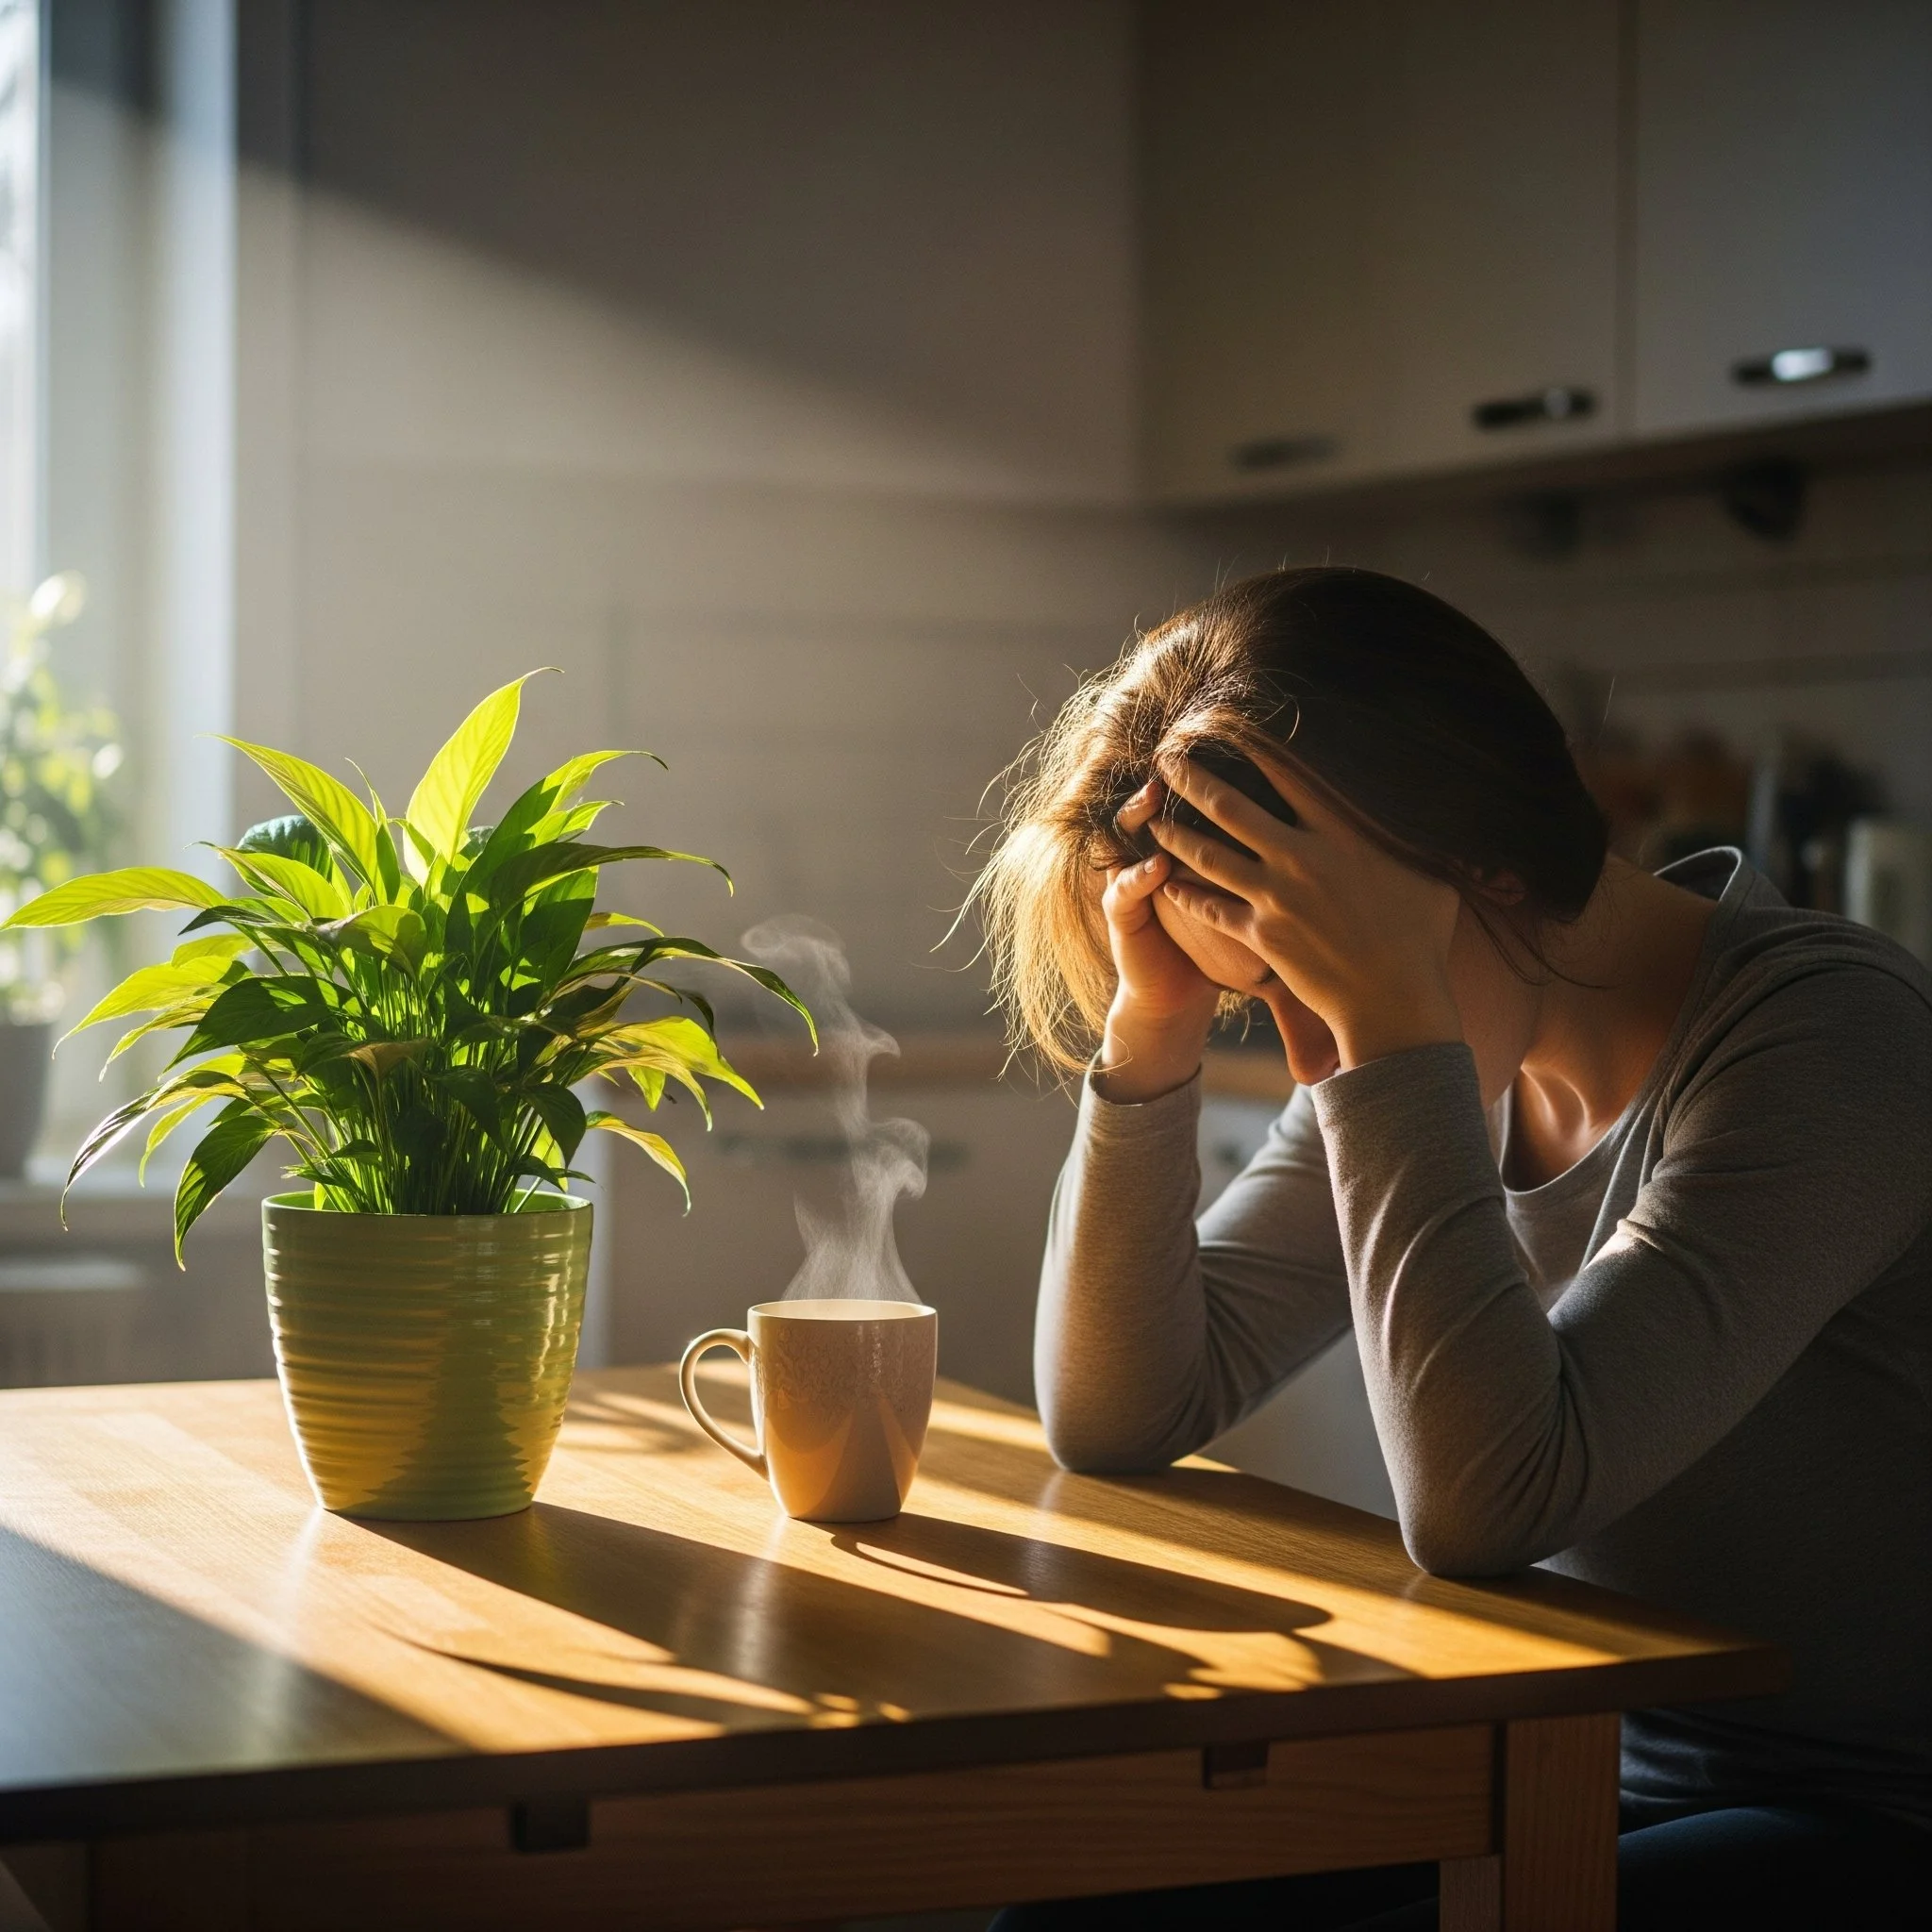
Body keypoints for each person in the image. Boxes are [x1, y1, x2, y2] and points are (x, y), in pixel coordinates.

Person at [973, 568, 1931, 1929]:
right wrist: (1153, 1034)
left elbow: (1494, 1501)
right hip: (1570, 1759)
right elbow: (1120, 1411)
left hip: (1866, 1816)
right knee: (1082, 1905)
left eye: (1319, 953)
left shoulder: (1830, 1043)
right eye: (1268, 978)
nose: (1305, 1025)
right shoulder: (1454, 1039)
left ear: (1486, 862)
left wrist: (1393, 1035)